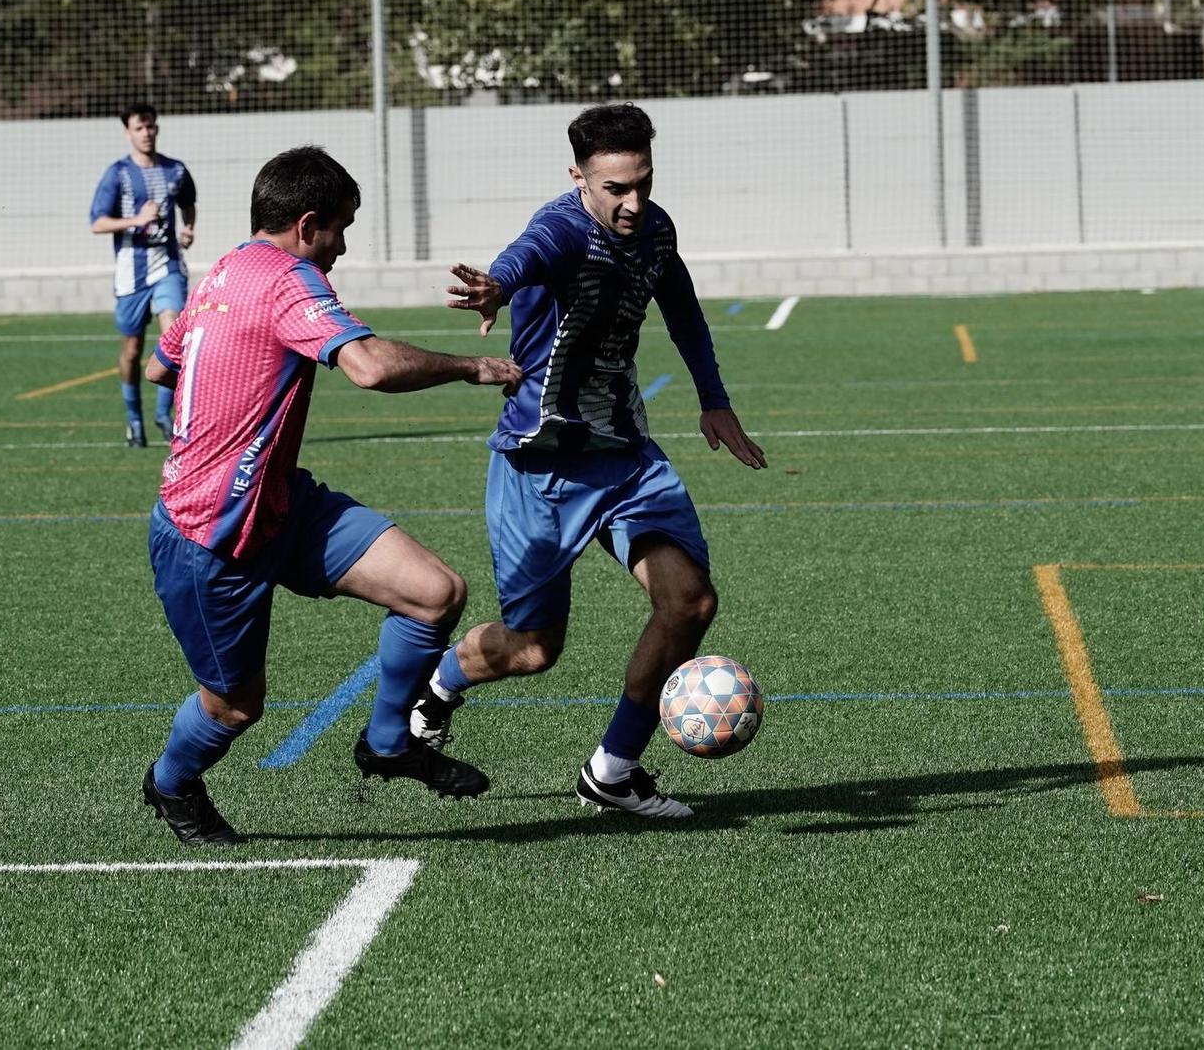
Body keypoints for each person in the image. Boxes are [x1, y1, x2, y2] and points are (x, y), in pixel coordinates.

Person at [139, 145, 524, 846]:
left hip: (283, 504)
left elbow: (162, 367)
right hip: (211, 537)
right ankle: (171, 782)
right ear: (308, 223)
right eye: (341, 228)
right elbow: (370, 368)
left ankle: (386, 742)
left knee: (434, 592)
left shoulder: (225, 268)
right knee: (233, 708)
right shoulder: (290, 279)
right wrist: (474, 366)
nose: (343, 246)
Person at [417, 102, 768, 819]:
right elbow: (525, 257)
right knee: (533, 648)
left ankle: (613, 768)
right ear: (578, 176)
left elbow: (684, 310)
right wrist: (498, 285)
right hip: (539, 467)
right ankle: (440, 683)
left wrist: (714, 398)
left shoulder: (657, 228)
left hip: (625, 456)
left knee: (691, 600)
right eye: (615, 188)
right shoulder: (559, 228)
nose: (633, 201)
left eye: (642, 181)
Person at [90, 104, 197, 446]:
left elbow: (188, 202)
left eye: (150, 126)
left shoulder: (175, 170)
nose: (146, 132)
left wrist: (189, 228)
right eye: (139, 128)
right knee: (133, 350)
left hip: (167, 264)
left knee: (175, 337)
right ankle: (134, 420)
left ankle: (165, 414)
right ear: (128, 133)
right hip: (131, 271)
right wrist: (136, 221)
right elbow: (97, 223)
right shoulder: (117, 174)